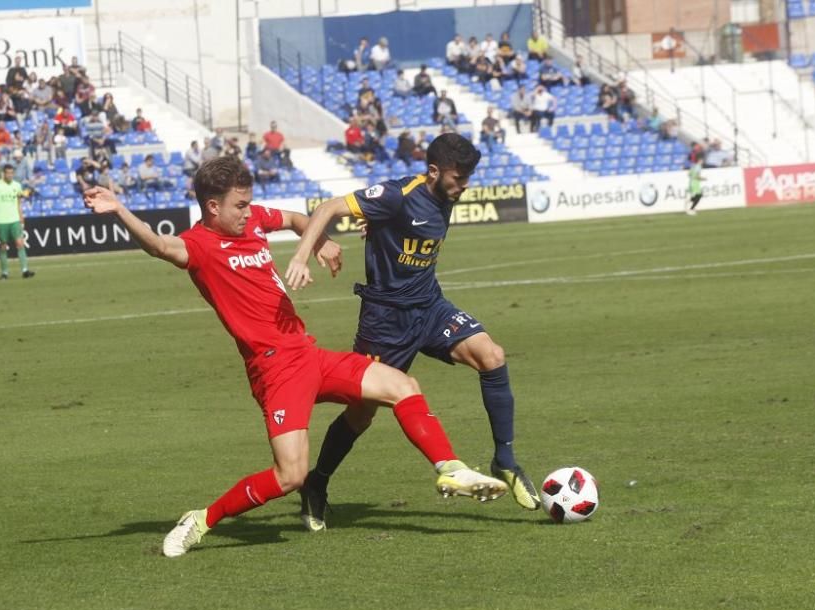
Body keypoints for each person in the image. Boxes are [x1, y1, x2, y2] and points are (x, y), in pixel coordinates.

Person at [82, 156, 505, 557]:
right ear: (213, 207)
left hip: (308, 353)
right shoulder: (199, 246)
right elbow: (157, 245)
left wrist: (319, 242)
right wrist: (119, 209)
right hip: (274, 369)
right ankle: (201, 519)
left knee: (400, 384)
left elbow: (296, 219)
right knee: (290, 475)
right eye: (240, 206)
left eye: (249, 203)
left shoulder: (254, 222)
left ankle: (450, 467)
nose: (250, 212)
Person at [284, 134, 540, 532]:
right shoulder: (397, 195)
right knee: (362, 414)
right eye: (459, 177)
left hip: (430, 307)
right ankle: (316, 482)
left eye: (469, 176)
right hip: (385, 322)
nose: (465, 184)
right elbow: (330, 207)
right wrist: (303, 254)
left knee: (492, 356)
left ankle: (504, 459)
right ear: (434, 171)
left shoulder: (446, 196)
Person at [0, 164, 34, 280]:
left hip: (14, 219)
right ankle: (4, 273)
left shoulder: (17, 185)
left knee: (20, 243)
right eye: (8, 173)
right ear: (3, 174)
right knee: (3, 246)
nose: (10, 175)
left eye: (11, 173)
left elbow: (18, 202)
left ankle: (25, 270)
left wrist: (21, 216)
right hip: (1, 221)